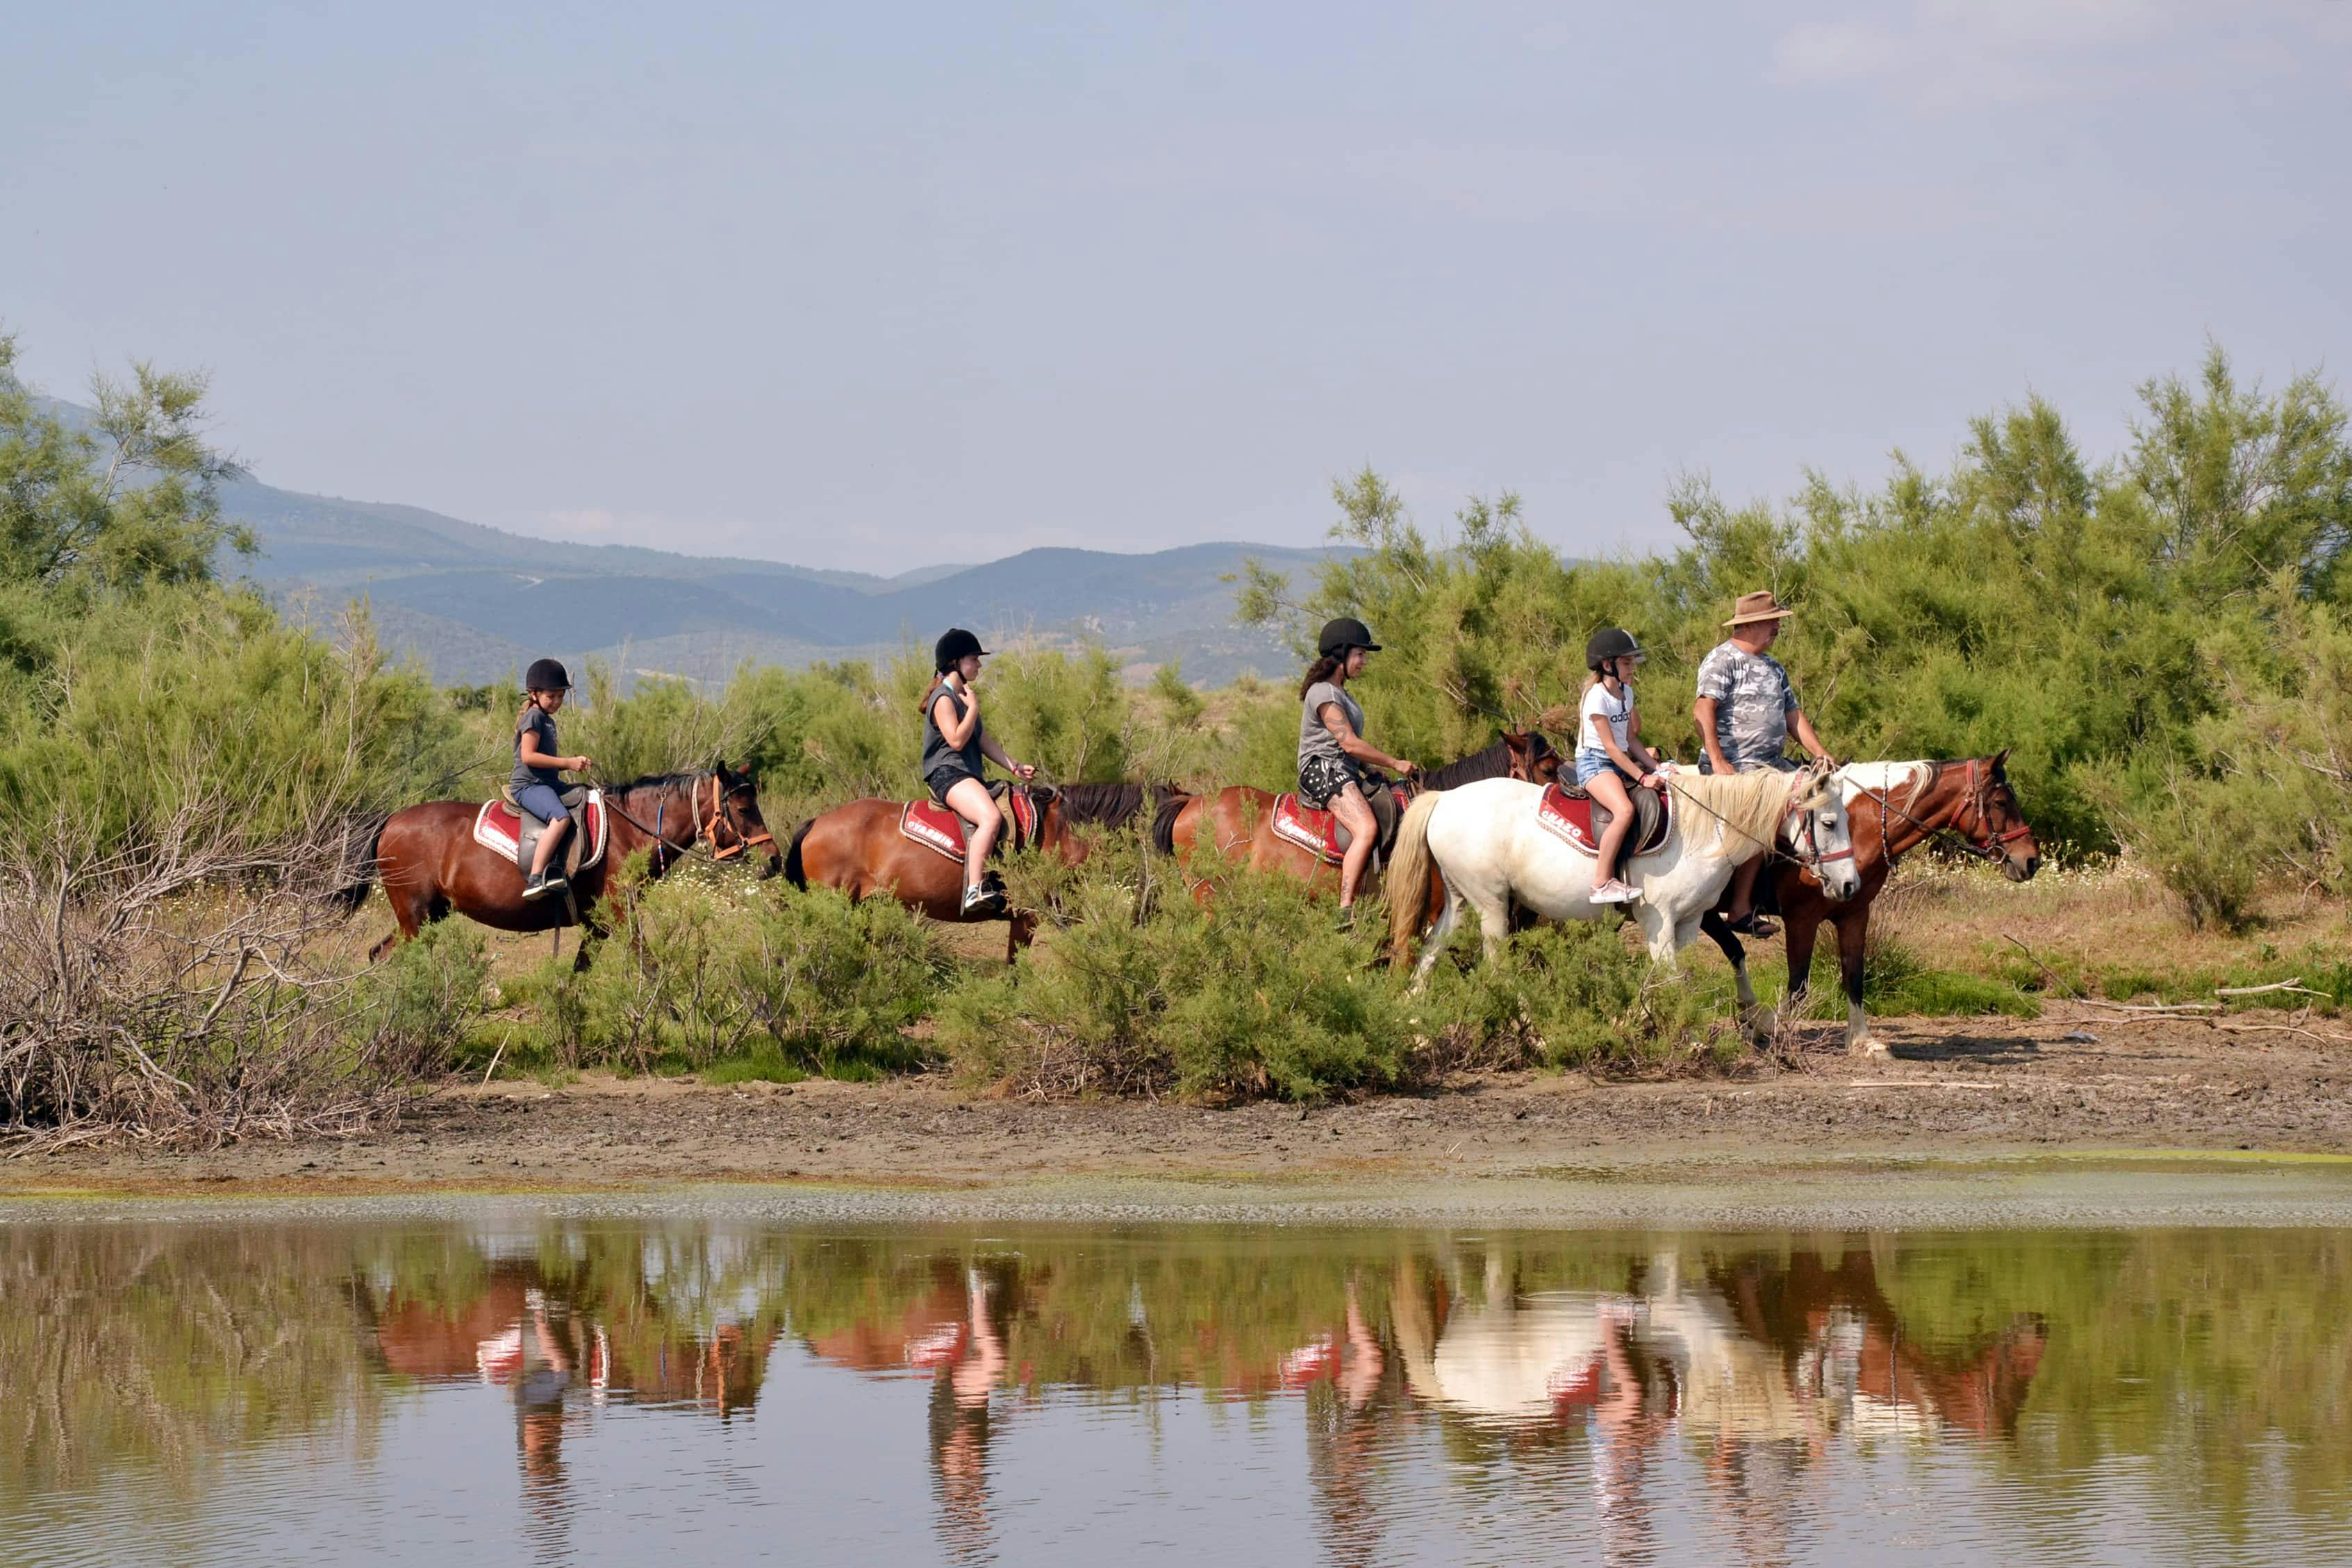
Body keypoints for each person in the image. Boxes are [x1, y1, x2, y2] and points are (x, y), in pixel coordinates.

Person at [1692, 591, 1832, 936]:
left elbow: (1793, 717)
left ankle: (1808, 889)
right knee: (1761, 818)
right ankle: (1739, 908)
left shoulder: (1773, 667)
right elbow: (1702, 711)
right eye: (1773, 622)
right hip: (1736, 767)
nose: (1777, 628)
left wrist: (1820, 753)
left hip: (1773, 766)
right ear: (1751, 624)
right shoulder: (1722, 660)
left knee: (1825, 799)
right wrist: (1718, 759)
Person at [1297, 617, 1419, 931]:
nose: (1364, 661)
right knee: (1365, 828)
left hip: (1344, 769)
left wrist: (1369, 768)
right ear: (1341, 654)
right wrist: (1395, 763)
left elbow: (1350, 749)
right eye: (1360, 654)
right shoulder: (1322, 692)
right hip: (1321, 770)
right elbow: (1348, 743)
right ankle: (1345, 910)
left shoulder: (1342, 693)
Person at [922, 628, 1037, 917]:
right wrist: (973, 708)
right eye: (974, 659)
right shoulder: (944, 699)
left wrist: (1013, 765)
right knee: (990, 817)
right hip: (947, 774)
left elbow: (981, 740)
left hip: (966, 774)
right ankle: (975, 888)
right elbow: (957, 740)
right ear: (956, 662)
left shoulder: (961, 695)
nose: (979, 665)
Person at [1577, 628, 1665, 904]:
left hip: (1618, 758)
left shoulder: (1627, 692)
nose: (1632, 669)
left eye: (1631, 663)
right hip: (1595, 762)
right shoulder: (1596, 697)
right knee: (1625, 811)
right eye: (1626, 663)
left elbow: (1630, 740)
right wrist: (1642, 777)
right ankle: (1601, 883)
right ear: (1608, 665)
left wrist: (1658, 768)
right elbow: (1612, 748)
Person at [513, 658, 593, 901]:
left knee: (585, 795)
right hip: (529, 785)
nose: (556, 702)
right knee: (561, 819)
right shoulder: (534, 718)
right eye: (551, 697)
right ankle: (536, 878)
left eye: (560, 697)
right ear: (534, 694)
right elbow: (528, 756)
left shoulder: (548, 720)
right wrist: (568, 763)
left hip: (548, 784)